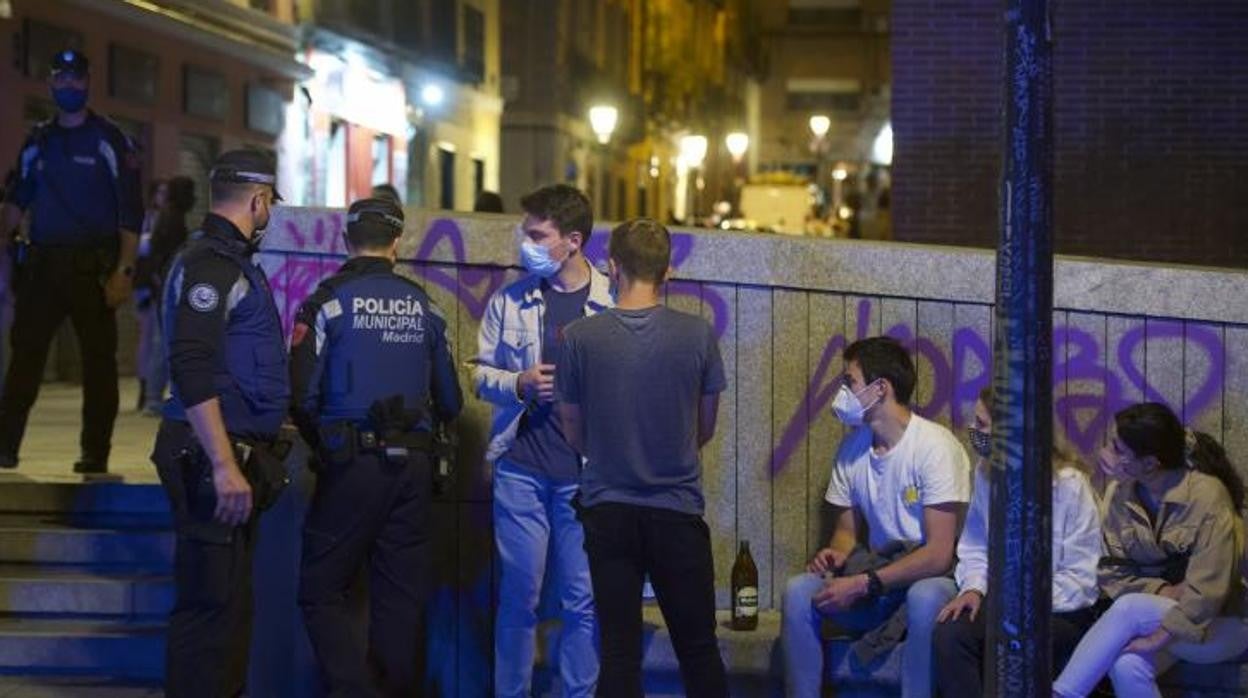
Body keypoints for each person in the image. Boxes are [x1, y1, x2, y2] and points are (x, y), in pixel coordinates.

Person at [292, 197, 463, 697]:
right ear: (397, 241)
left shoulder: (326, 301)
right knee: (400, 597)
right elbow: (450, 400)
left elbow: (301, 395)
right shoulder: (425, 305)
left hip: (350, 464)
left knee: (319, 591)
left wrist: (322, 444)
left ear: (346, 239)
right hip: (414, 469)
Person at [558, 217, 729, 697]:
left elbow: (573, 429)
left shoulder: (579, 337)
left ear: (612, 267)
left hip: (608, 510)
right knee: (698, 648)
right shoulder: (698, 336)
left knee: (617, 652)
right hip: (676, 512)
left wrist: (612, 448)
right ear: (668, 271)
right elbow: (706, 426)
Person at [149, 149, 289, 698]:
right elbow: (190, 365)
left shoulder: (220, 259)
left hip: (223, 452)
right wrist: (225, 464)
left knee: (227, 607)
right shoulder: (213, 265)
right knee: (210, 610)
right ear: (258, 200)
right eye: (270, 203)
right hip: (210, 457)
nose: (270, 212)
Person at [470, 183, 607, 697]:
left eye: (537, 235)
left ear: (572, 240)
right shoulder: (511, 300)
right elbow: (480, 375)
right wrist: (519, 383)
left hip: (584, 478)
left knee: (581, 600)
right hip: (520, 469)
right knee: (518, 598)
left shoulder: (610, 301)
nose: (525, 243)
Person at [780, 336, 971, 698]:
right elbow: (846, 535)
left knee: (925, 596)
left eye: (849, 382)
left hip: (927, 580)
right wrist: (834, 555)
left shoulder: (935, 447)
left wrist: (865, 583)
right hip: (875, 578)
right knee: (798, 591)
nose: (843, 392)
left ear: (880, 388)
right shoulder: (852, 449)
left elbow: (939, 554)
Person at [0, 49, 143, 473]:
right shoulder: (39, 140)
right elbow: (14, 201)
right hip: (42, 268)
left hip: (93, 269)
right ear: (51, 82)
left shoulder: (108, 139)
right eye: (60, 78)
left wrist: (125, 269)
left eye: (74, 79)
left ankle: (94, 453)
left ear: (87, 82)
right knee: (25, 357)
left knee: (98, 363)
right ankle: (5, 448)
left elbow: (130, 210)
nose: (67, 86)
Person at [1054, 403, 1248, 698]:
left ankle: (1061, 695)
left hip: (1222, 624)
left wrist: (1159, 636)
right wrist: (1161, 591)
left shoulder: (1207, 496)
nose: (1107, 452)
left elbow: (1207, 592)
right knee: (1126, 664)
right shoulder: (1120, 493)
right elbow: (1111, 570)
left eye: (1119, 449)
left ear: (1150, 463)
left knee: (1130, 607)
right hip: (1162, 613)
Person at [931, 388, 1101, 696]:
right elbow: (976, 546)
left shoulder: (1069, 485)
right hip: (1003, 601)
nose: (975, 431)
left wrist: (1019, 604)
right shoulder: (986, 475)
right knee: (952, 632)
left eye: (983, 424)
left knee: (1011, 640)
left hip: (1060, 608)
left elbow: (1081, 576)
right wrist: (973, 588)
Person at [135, 176, 195, 415]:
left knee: (159, 342)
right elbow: (161, 258)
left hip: (160, 287)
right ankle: (152, 398)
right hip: (163, 289)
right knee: (162, 343)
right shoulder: (172, 220)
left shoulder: (167, 218)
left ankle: (152, 396)